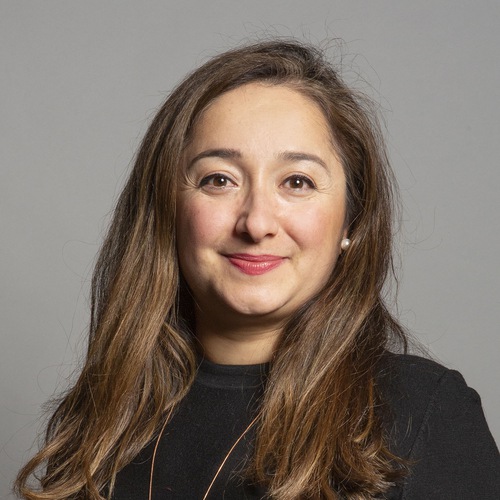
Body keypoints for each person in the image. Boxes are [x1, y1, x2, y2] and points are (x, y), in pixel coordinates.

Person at [15, 40, 499, 500]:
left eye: (297, 182)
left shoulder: (424, 413)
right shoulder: (102, 422)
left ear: (351, 220)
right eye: (219, 180)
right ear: (167, 209)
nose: (256, 222)